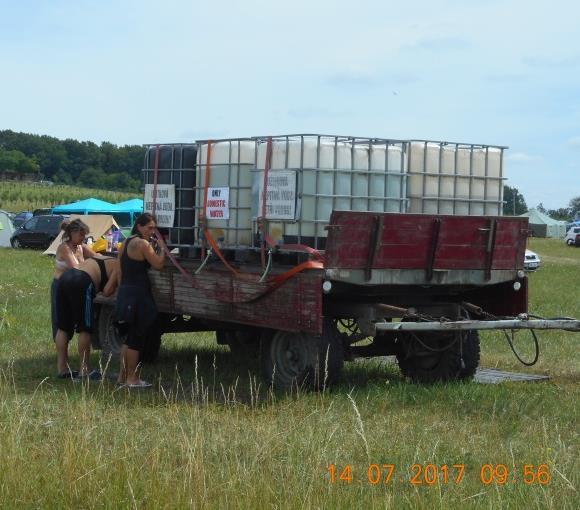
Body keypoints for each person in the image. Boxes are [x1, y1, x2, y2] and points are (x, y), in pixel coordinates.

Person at [115, 213, 166, 388]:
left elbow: (120, 270)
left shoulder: (126, 242)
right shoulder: (143, 244)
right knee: (136, 339)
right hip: (139, 294)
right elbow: (158, 264)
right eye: (149, 227)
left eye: (154, 228)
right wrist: (161, 248)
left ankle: (122, 377)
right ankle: (132, 378)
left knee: (128, 339)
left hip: (126, 292)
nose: (152, 231)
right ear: (139, 226)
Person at [54, 256, 118, 379]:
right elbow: (107, 290)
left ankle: (62, 368)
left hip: (65, 278)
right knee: (85, 328)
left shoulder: (103, 258)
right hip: (83, 281)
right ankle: (85, 370)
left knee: (63, 327)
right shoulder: (118, 265)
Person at [51, 219, 96, 354]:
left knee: (72, 319)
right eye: (81, 235)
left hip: (74, 287)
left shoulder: (80, 246)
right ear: (72, 233)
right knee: (61, 323)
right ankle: (62, 357)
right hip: (60, 287)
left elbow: (96, 256)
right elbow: (75, 268)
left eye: (85, 235)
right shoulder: (64, 248)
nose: (84, 238)